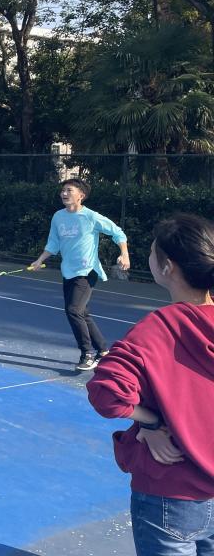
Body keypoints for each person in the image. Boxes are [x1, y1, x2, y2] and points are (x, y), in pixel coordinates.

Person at [87, 213, 214, 554]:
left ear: (167, 267)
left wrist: (152, 422)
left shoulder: (159, 327)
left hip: (170, 491)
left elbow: (106, 393)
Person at [29, 178, 130, 371]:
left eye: (69, 190)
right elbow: (53, 243)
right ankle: (103, 350)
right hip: (68, 271)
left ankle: (87, 353)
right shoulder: (58, 217)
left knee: (73, 310)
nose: (64, 193)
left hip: (87, 271)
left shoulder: (91, 217)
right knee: (82, 312)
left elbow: (118, 233)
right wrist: (40, 260)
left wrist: (124, 254)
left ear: (81, 195)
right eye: (63, 190)